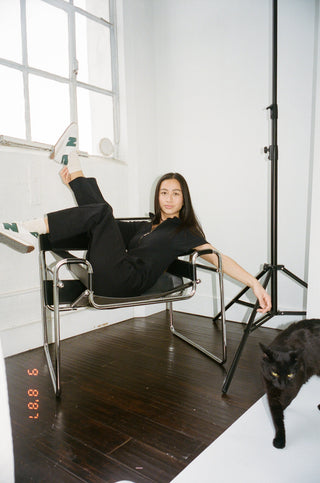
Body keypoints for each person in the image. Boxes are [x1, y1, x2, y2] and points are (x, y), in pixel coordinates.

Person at [0, 124, 271, 313]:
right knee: (105, 215)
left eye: (175, 194)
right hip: (110, 272)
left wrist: (255, 283)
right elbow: (109, 227)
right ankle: (73, 167)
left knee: (103, 213)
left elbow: (219, 259)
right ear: (158, 196)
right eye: (164, 192)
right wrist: (74, 185)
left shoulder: (185, 233)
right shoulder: (147, 225)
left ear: (183, 200)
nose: (168, 198)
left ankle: (30, 227)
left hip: (125, 282)